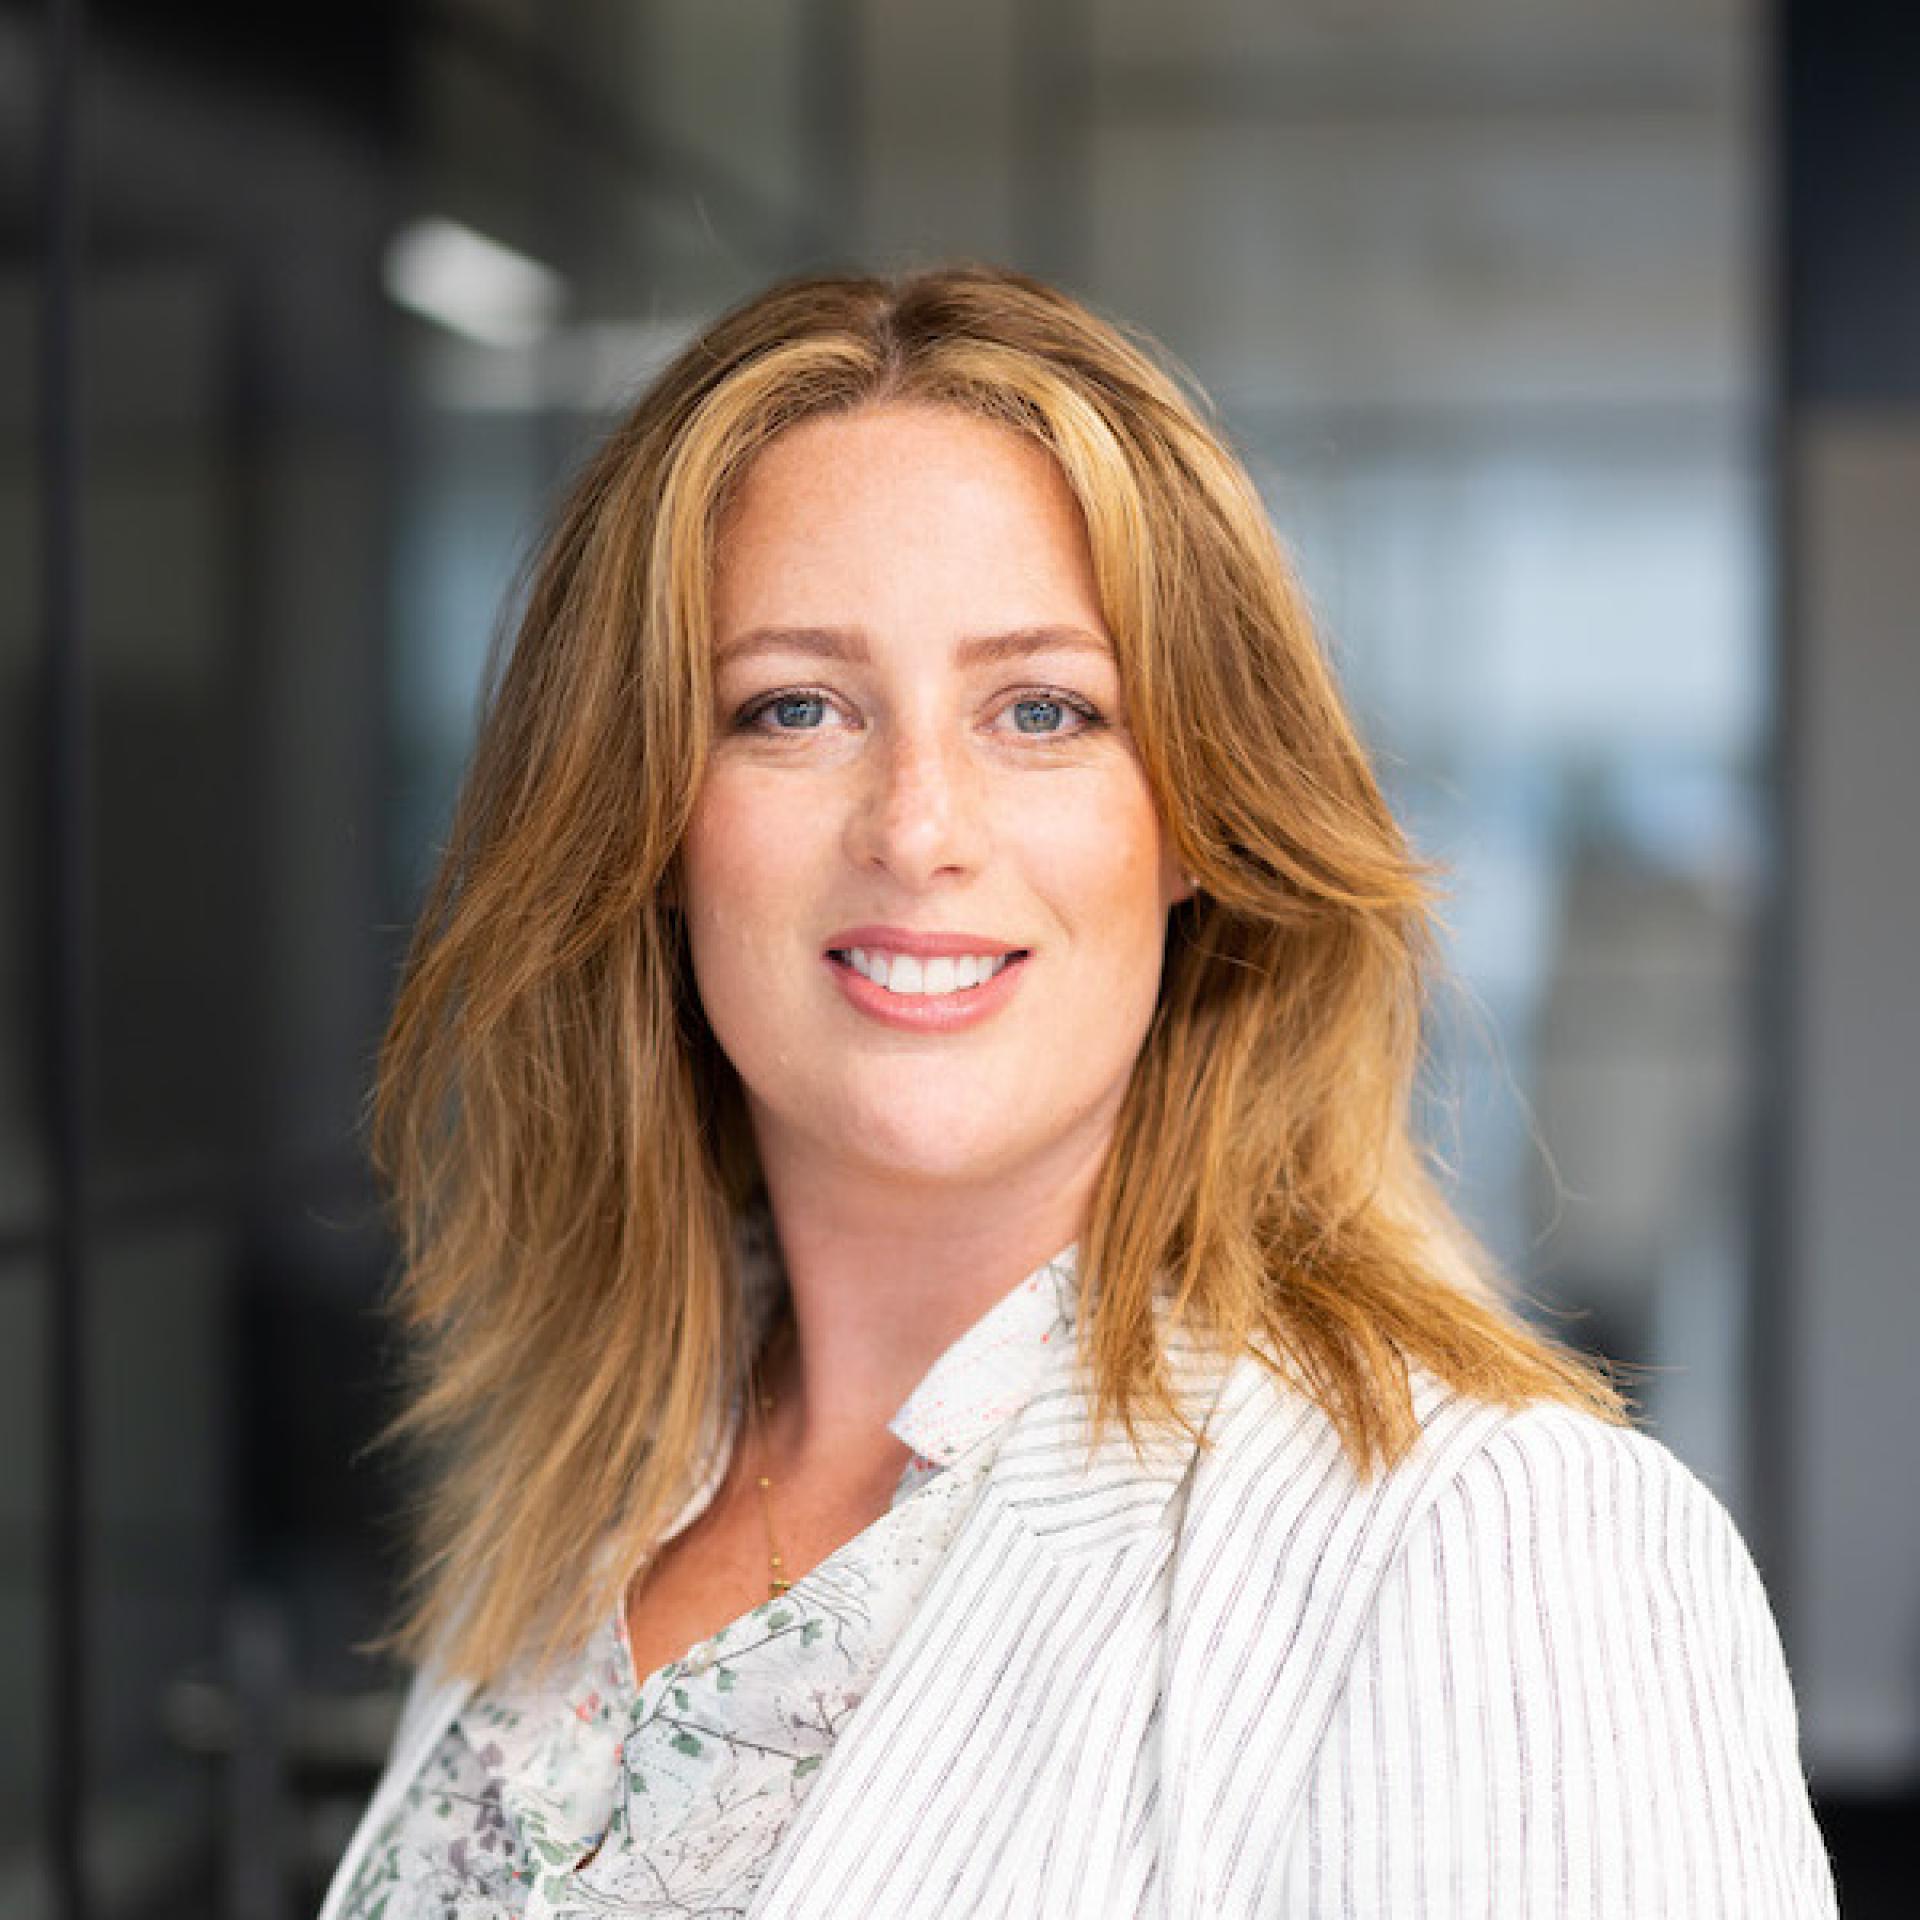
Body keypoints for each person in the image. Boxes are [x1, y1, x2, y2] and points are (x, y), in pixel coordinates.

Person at [320, 263, 1837, 1917]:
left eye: (1043, 710)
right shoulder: (585, 1496)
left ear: (1197, 816)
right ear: (653, 825)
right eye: (792, 708)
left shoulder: (1493, 1543)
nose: (917, 827)